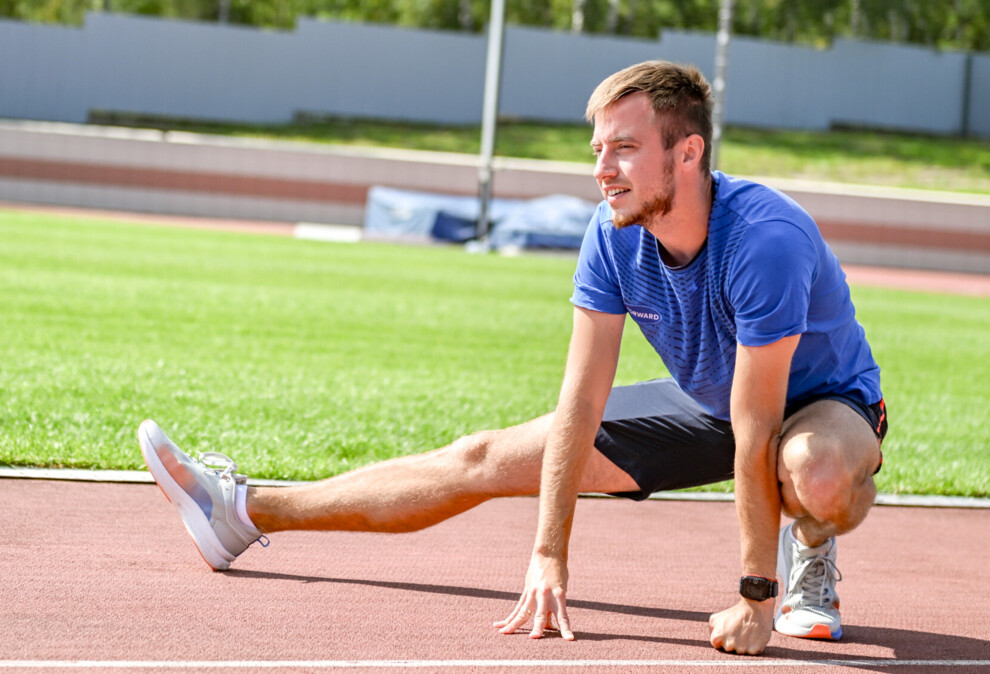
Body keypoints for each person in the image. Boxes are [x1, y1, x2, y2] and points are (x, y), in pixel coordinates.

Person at [138, 60, 886, 656]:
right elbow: (581, 403)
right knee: (482, 458)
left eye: (624, 148)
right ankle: (242, 509)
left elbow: (757, 427)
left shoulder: (765, 237)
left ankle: (807, 550)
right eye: (598, 150)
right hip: (711, 402)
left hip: (820, 406)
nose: (603, 169)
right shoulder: (611, 234)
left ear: (686, 151)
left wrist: (754, 593)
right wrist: (548, 557)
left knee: (808, 471)